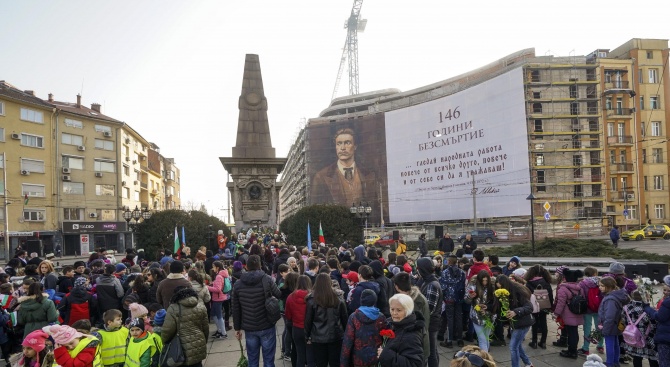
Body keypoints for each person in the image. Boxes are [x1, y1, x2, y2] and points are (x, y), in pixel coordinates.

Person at [309, 128, 379, 216]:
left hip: (364, 225)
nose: (342, 148)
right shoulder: (321, 176)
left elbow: (376, 209)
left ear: (355, 146)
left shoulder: (369, 175)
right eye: (339, 144)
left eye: (347, 143)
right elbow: (314, 211)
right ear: (335, 147)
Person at [231, 254, 282, 367]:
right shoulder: (267, 279)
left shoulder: (238, 284)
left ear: (247, 267)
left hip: (249, 327)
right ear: (260, 266)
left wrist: (237, 328)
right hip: (266, 324)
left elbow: (236, 308)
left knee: (252, 360)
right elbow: (278, 294)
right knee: (269, 360)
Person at [305, 273, 348, 367]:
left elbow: (308, 320)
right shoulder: (338, 297)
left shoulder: (312, 299)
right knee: (335, 362)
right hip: (336, 335)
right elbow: (344, 317)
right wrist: (346, 333)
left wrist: (307, 336)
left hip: (318, 336)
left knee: (320, 363)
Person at [161, 287, 209, 367]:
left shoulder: (173, 308)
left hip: (181, 345)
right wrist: (204, 340)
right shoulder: (201, 306)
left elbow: (168, 330)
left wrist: (164, 341)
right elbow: (205, 327)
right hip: (199, 341)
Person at [340, 289, 387, 367]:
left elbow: (348, 341)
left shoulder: (354, 317)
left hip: (359, 358)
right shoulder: (380, 317)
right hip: (376, 357)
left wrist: (343, 363)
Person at [495, 275, 535, 367]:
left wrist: (515, 312)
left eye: (501, 287)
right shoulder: (503, 293)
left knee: (513, 347)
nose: (500, 289)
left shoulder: (517, 291)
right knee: (517, 345)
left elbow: (529, 307)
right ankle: (528, 363)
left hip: (522, 323)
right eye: (498, 288)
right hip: (515, 323)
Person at [377, 294, 424, 367]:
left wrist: (385, 355)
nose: (394, 313)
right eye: (392, 309)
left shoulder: (412, 335)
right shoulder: (393, 324)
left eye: (399, 310)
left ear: (407, 311)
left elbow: (414, 364)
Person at [416, 257, 442, 367]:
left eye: (418, 268)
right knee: (433, 349)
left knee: (430, 353)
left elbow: (429, 309)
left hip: (430, 323)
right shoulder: (428, 281)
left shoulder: (432, 285)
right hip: (431, 322)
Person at [553, 269, 585, 359]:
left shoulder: (563, 288)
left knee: (571, 333)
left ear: (565, 278)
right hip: (577, 312)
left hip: (568, 314)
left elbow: (561, 303)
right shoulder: (580, 288)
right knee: (574, 332)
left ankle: (572, 352)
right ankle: (572, 350)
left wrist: (556, 313)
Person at [622, 290, 658, 367]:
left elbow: (624, 320)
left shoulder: (626, 307)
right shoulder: (647, 309)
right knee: (652, 358)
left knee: (637, 357)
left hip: (633, 336)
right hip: (647, 336)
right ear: (645, 297)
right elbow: (653, 324)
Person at [598, 276, 629, 367]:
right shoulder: (614, 295)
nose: (600, 287)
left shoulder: (610, 299)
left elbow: (610, 316)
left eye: (602, 286)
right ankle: (615, 362)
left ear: (609, 286)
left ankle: (610, 363)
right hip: (615, 324)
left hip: (610, 325)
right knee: (615, 343)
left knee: (609, 344)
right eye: (599, 285)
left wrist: (605, 329)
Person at [524, 264, 553, 350]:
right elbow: (550, 295)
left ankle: (534, 342)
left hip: (534, 306)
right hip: (544, 306)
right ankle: (543, 342)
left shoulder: (529, 283)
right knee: (544, 323)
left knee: (534, 323)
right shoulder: (546, 282)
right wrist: (550, 307)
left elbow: (527, 296)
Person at [466, 270, 496, 352]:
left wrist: (487, 308)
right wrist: (470, 296)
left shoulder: (493, 286)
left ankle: (485, 360)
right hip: (477, 317)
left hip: (490, 316)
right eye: (483, 280)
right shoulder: (473, 286)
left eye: (486, 280)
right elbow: (466, 301)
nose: (485, 282)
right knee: (482, 339)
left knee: (486, 338)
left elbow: (496, 303)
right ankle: (486, 360)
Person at [644, 275, 670, 367]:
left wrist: (648, 308)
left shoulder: (667, 302)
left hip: (666, 337)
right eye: (665, 290)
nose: (666, 292)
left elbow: (660, 317)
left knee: (664, 362)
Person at [579, 266, 604, 355]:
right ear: (595, 273)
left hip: (587, 308)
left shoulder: (582, 283)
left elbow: (581, 295)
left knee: (587, 328)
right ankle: (600, 345)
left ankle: (586, 348)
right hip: (599, 308)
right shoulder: (601, 281)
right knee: (599, 327)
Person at [206, 261, 228, 339]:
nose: (213, 268)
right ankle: (220, 330)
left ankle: (223, 332)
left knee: (218, 315)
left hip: (218, 298)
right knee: (214, 314)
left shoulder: (219, 276)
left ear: (217, 268)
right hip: (220, 297)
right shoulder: (222, 274)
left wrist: (207, 287)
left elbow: (218, 289)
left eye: (213, 267)